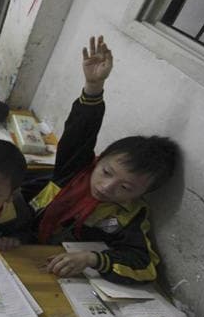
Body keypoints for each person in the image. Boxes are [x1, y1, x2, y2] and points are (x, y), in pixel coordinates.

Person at [32, 36, 179, 285]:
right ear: (98, 161)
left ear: (143, 193)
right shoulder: (77, 171)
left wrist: (93, 259)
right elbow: (80, 133)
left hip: (54, 268)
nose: (106, 187)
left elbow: (144, 265)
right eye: (107, 172)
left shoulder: (129, 216)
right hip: (22, 236)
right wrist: (93, 87)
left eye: (126, 187)